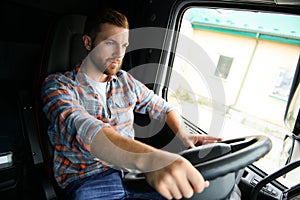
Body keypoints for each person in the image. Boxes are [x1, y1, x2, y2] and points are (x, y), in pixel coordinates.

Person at [41, 8, 222, 200]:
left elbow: (164, 107)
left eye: (124, 45)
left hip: (130, 174)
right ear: (87, 42)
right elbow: (86, 129)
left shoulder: (125, 81)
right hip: (89, 179)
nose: (119, 53)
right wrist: (150, 160)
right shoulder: (58, 85)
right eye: (110, 43)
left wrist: (184, 135)